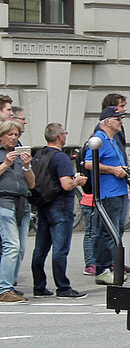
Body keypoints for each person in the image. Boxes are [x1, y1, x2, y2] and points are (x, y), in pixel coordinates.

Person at [30, 123, 87, 298]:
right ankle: (63, 287)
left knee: (40, 248)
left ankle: (39, 286)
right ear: (60, 136)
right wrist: (77, 180)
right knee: (60, 249)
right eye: (65, 133)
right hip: (60, 207)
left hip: (43, 204)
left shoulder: (38, 154)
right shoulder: (61, 158)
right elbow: (66, 184)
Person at [83, 106, 130, 285]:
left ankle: (110, 266)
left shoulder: (113, 140)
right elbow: (89, 163)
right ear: (108, 121)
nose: (121, 122)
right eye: (117, 119)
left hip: (119, 191)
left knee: (116, 230)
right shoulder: (99, 139)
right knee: (107, 232)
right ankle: (102, 268)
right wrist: (112, 170)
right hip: (108, 192)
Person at [0, 120, 34, 303]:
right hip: (3, 203)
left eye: (16, 135)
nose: (13, 138)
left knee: (19, 248)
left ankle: (8, 285)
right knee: (11, 245)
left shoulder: (21, 155)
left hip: (22, 204)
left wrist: (27, 167)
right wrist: (5, 163)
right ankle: (3, 289)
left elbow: (32, 184)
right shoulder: (3, 155)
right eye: (9, 134)